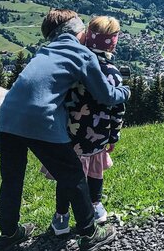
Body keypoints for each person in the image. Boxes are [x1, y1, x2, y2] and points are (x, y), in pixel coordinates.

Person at [0, 9, 130, 251]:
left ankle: (8, 233)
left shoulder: (44, 52)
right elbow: (106, 95)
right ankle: (89, 233)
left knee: (12, 178)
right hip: (39, 118)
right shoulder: (81, 53)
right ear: (79, 32)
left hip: (8, 117)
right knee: (73, 174)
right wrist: (126, 92)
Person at [48, 15, 126, 235]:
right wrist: (113, 137)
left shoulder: (74, 66)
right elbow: (117, 110)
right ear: (113, 43)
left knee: (67, 177)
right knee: (95, 172)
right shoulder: (112, 73)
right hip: (98, 135)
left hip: (69, 135)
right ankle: (96, 207)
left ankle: (61, 217)